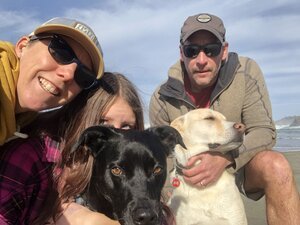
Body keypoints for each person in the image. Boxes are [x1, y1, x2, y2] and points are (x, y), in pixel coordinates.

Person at [149, 13, 300, 224]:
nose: (202, 60)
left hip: (242, 162)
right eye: (192, 51)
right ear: (182, 53)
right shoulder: (162, 96)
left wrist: (226, 159)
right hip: (185, 176)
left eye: (211, 50)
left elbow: (264, 131)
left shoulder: (246, 72)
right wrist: (166, 203)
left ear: (224, 51)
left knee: (276, 166)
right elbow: (160, 156)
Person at [0, 72, 143, 224]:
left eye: (126, 127)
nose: (115, 138)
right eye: (103, 123)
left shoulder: (133, 175)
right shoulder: (32, 158)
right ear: (81, 115)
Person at [0, 17, 104, 145]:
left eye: (84, 75)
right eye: (61, 52)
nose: (69, 74)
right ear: (22, 47)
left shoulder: (24, 125)